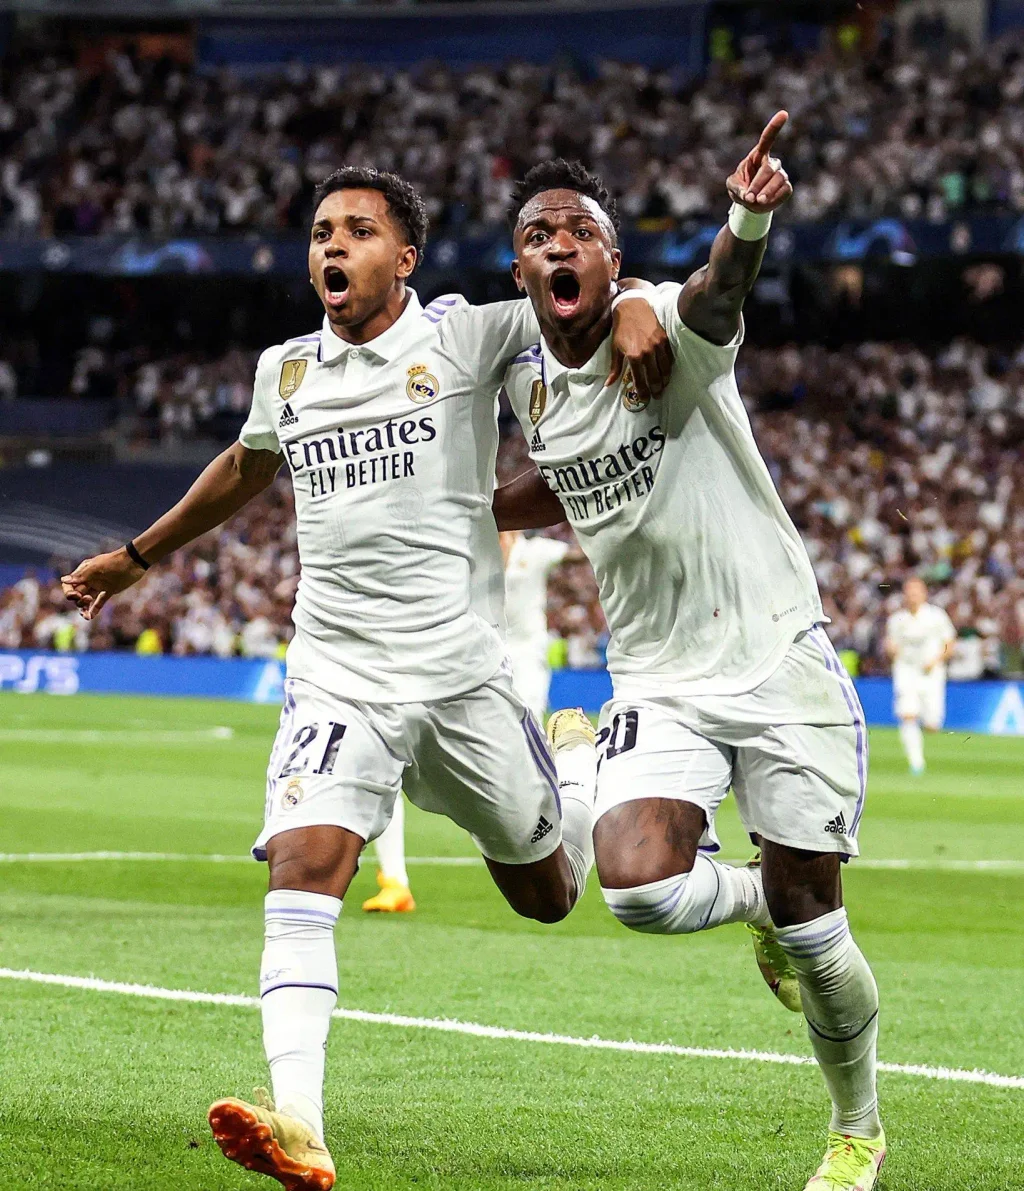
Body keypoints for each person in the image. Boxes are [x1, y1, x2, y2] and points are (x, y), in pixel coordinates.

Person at [61, 167, 670, 1191]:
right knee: (304, 863)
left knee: (547, 894)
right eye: (319, 232)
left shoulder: (466, 337)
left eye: (356, 230)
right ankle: (299, 1119)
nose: (331, 247)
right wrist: (138, 555)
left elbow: (578, 298)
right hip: (337, 672)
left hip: (459, 677)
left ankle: (573, 774)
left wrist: (643, 298)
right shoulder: (287, 370)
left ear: (406, 256)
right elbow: (248, 464)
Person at [493, 120, 886, 1191]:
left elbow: (717, 293)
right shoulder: (526, 382)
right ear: (521, 271)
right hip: (659, 677)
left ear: (611, 258)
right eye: (538, 234)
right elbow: (562, 475)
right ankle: (749, 895)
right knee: (638, 892)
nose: (559, 243)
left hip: (776, 655)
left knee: (818, 928)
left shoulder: (664, 322)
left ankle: (856, 1130)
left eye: (581, 231)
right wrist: (464, 511)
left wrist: (746, 221)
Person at [499, 529, 582, 721]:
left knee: (530, 711)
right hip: (492, 646)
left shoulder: (536, 549)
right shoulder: (483, 553)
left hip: (528, 646)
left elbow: (576, 555)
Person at [884, 576, 956, 774]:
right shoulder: (897, 619)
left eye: (916, 592)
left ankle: (928, 726)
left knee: (932, 723)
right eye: (909, 592)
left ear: (924, 594)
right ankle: (916, 763)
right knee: (908, 714)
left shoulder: (936, 616)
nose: (912, 596)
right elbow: (890, 644)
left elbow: (950, 643)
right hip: (906, 671)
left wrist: (936, 660)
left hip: (931, 673)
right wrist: (892, 651)